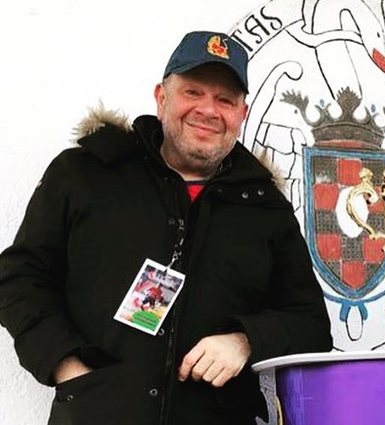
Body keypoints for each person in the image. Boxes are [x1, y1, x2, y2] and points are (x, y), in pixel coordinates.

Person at [0, 30, 332, 424]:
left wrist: (246, 341)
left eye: (225, 100)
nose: (208, 110)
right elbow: (19, 278)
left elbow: (311, 324)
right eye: (193, 92)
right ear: (161, 98)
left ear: (241, 114)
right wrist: (68, 368)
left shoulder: (265, 207)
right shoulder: (85, 173)